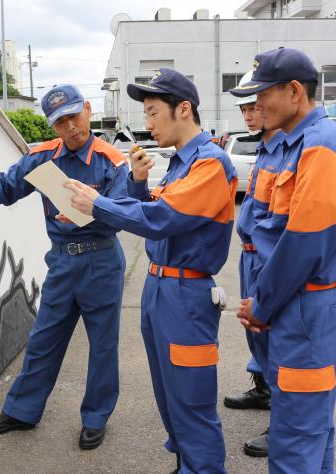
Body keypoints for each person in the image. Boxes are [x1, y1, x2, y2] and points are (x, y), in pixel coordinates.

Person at [66, 68, 236, 474]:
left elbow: (163, 218)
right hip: (160, 290)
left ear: (183, 109)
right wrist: (140, 184)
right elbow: (154, 212)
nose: (147, 124)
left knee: (191, 403)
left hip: (186, 296)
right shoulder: (181, 164)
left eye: (153, 112)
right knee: (169, 395)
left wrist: (99, 203)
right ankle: (187, 466)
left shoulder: (210, 164)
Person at [0, 84, 129, 450]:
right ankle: (22, 411)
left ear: (87, 110)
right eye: (61, 122)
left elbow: (123, 213)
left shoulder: (112, 160)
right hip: (61, 261)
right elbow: (6, 185)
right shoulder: (43, 158)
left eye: (74, 116)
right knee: (43, 339)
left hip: (100, 258)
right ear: (52, 125)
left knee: (102, 345)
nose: (71, 127)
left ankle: (95, 418)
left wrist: (89, 213)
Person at [230, 48, 336, 473]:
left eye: (261, 96)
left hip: (304, 306)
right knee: (309, 431)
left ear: (293, 92)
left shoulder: (321, 146)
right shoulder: (293, 142)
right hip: (295, 302)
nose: (255, 108)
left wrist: (263, 303)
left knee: (295, 439)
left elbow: (304, 243)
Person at [223, 70, 286, 458]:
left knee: (275, 335)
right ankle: (263, 389)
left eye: (254, 107)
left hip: (268, 258)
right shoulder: (264, 147)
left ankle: (282, 419)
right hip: (250, 256)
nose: (248, 114)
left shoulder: (286, 149)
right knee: (255, 331)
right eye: (244, 108)